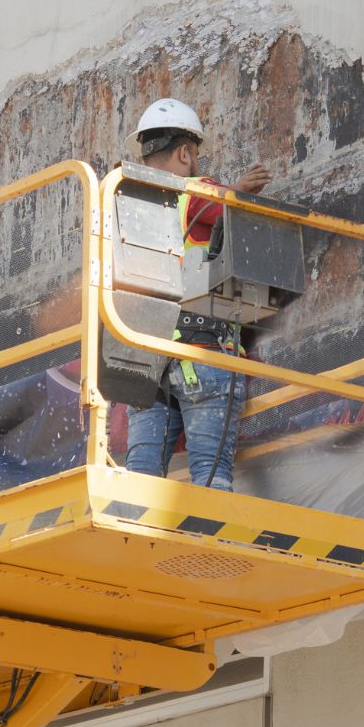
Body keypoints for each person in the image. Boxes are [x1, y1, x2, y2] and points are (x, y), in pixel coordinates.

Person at [123, 98, 270, 490]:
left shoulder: (126, 205)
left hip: (142, 363)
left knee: (140, 484)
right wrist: (238, 192)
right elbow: (228, 211)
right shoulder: (194, 192)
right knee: (211, 478)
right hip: (201, 354)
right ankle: (211, 544)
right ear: (185, 152)